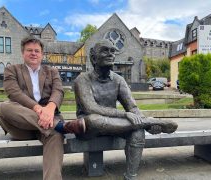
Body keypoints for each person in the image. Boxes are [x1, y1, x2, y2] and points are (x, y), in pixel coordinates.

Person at [74, 40, 178, 180]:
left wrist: (140, 121)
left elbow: (132, 108)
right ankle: (147, 122)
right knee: (94, 119)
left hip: (113, 126)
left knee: (137, 131)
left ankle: (130, 176)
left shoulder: (119, 80)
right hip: (88, 128)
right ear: (93, 58)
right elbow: (90, 108)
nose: (110, 54)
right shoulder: (82, 79)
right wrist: (131, 117)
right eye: (105, 50)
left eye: (113, 51)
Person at [0, 36, 85, 180]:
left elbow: (58, 91)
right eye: (29, 50)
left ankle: (56, 129)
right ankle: (61, 126)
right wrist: (38, 109)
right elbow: (14, 93)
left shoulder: (52, 71)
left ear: (42, 54)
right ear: (22, 53)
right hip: (21, 126)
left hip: (47, 126)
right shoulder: (11, 70)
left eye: (37, 51)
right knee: (4, 107)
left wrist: (50, 109)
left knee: (55, 137)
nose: (33, 53)